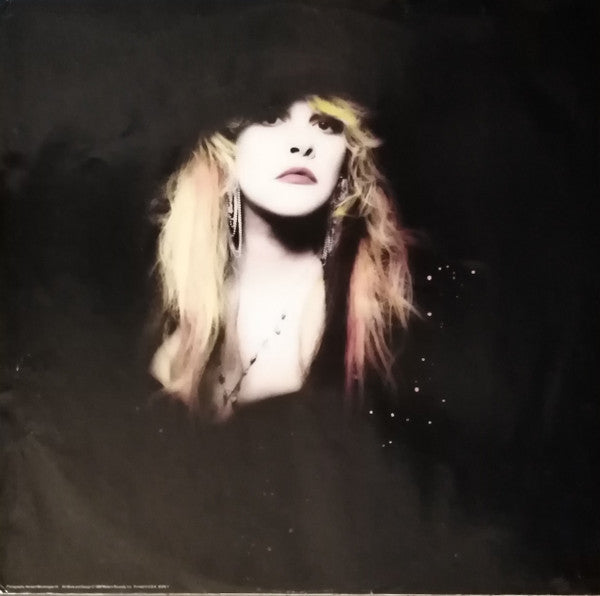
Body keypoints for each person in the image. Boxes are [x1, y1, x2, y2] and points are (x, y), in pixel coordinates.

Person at [150, 95, 413, 421]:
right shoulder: (168, 335)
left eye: (326, 125)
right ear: (225, 148)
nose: (302, 145)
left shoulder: (390, 322)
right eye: (271, 118)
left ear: (347, 161)